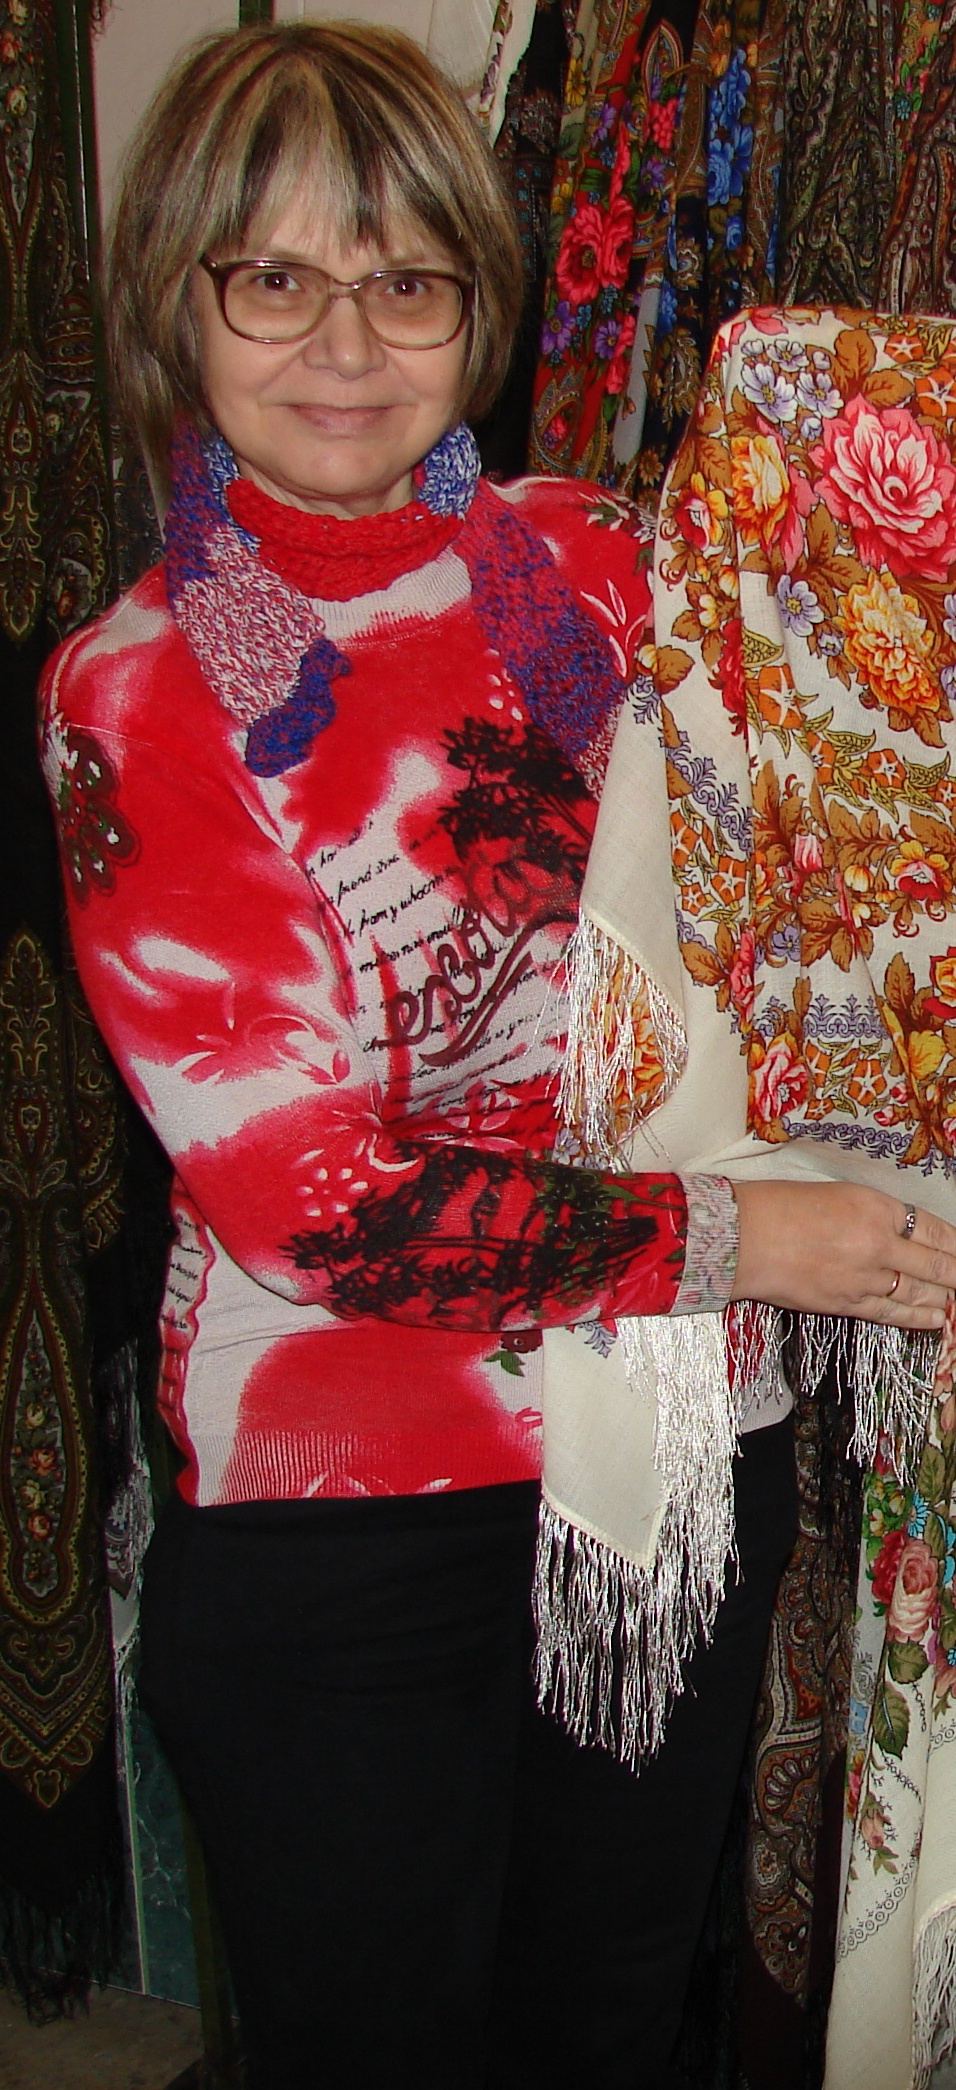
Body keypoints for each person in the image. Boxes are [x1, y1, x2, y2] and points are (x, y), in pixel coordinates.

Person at [38, 24, 956, 2089]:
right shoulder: (149, 689)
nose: (345, 343)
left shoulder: (600, 560)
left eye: (406, 280)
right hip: (355, 1521)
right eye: (275, 277)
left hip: (657, 1472)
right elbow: (319, 1209)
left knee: (609, 2024)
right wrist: (750, 1241)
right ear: (176, 296)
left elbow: (844, 771)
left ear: (479, 298)